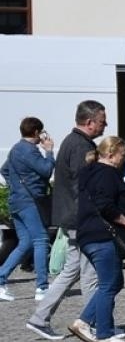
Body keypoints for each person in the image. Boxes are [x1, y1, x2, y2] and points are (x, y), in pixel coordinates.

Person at [28, 100, 107, 341]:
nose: (106, 125)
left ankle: (40, 318)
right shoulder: (81, 146)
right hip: (80, 217)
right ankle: (90, 323)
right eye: (103, 121)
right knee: (90, 272)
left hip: (71, 215)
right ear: (90, 122)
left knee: (72, 270)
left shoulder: (71, 141)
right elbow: (83, 186)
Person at [70, 137, 125, 342]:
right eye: (122, 155)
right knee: (109, 284)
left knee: (112, 282)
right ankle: (99, 332)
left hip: (88, 234)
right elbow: (105, 205)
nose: (123, 159)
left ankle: (95, 325)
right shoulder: (107, 174)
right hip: (102, 235)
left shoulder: (89, 172)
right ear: (111, 154)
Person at [0, 117, 54, 301]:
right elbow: (46, 170)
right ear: (37, 132)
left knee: (25, 242)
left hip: (16, 201)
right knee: (40, 240)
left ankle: (0, 279)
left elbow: (4, 170)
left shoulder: (16, 149)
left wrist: (15, 186)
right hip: (29, 202)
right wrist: (49, 152)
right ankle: (42, 287)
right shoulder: (31, 151)